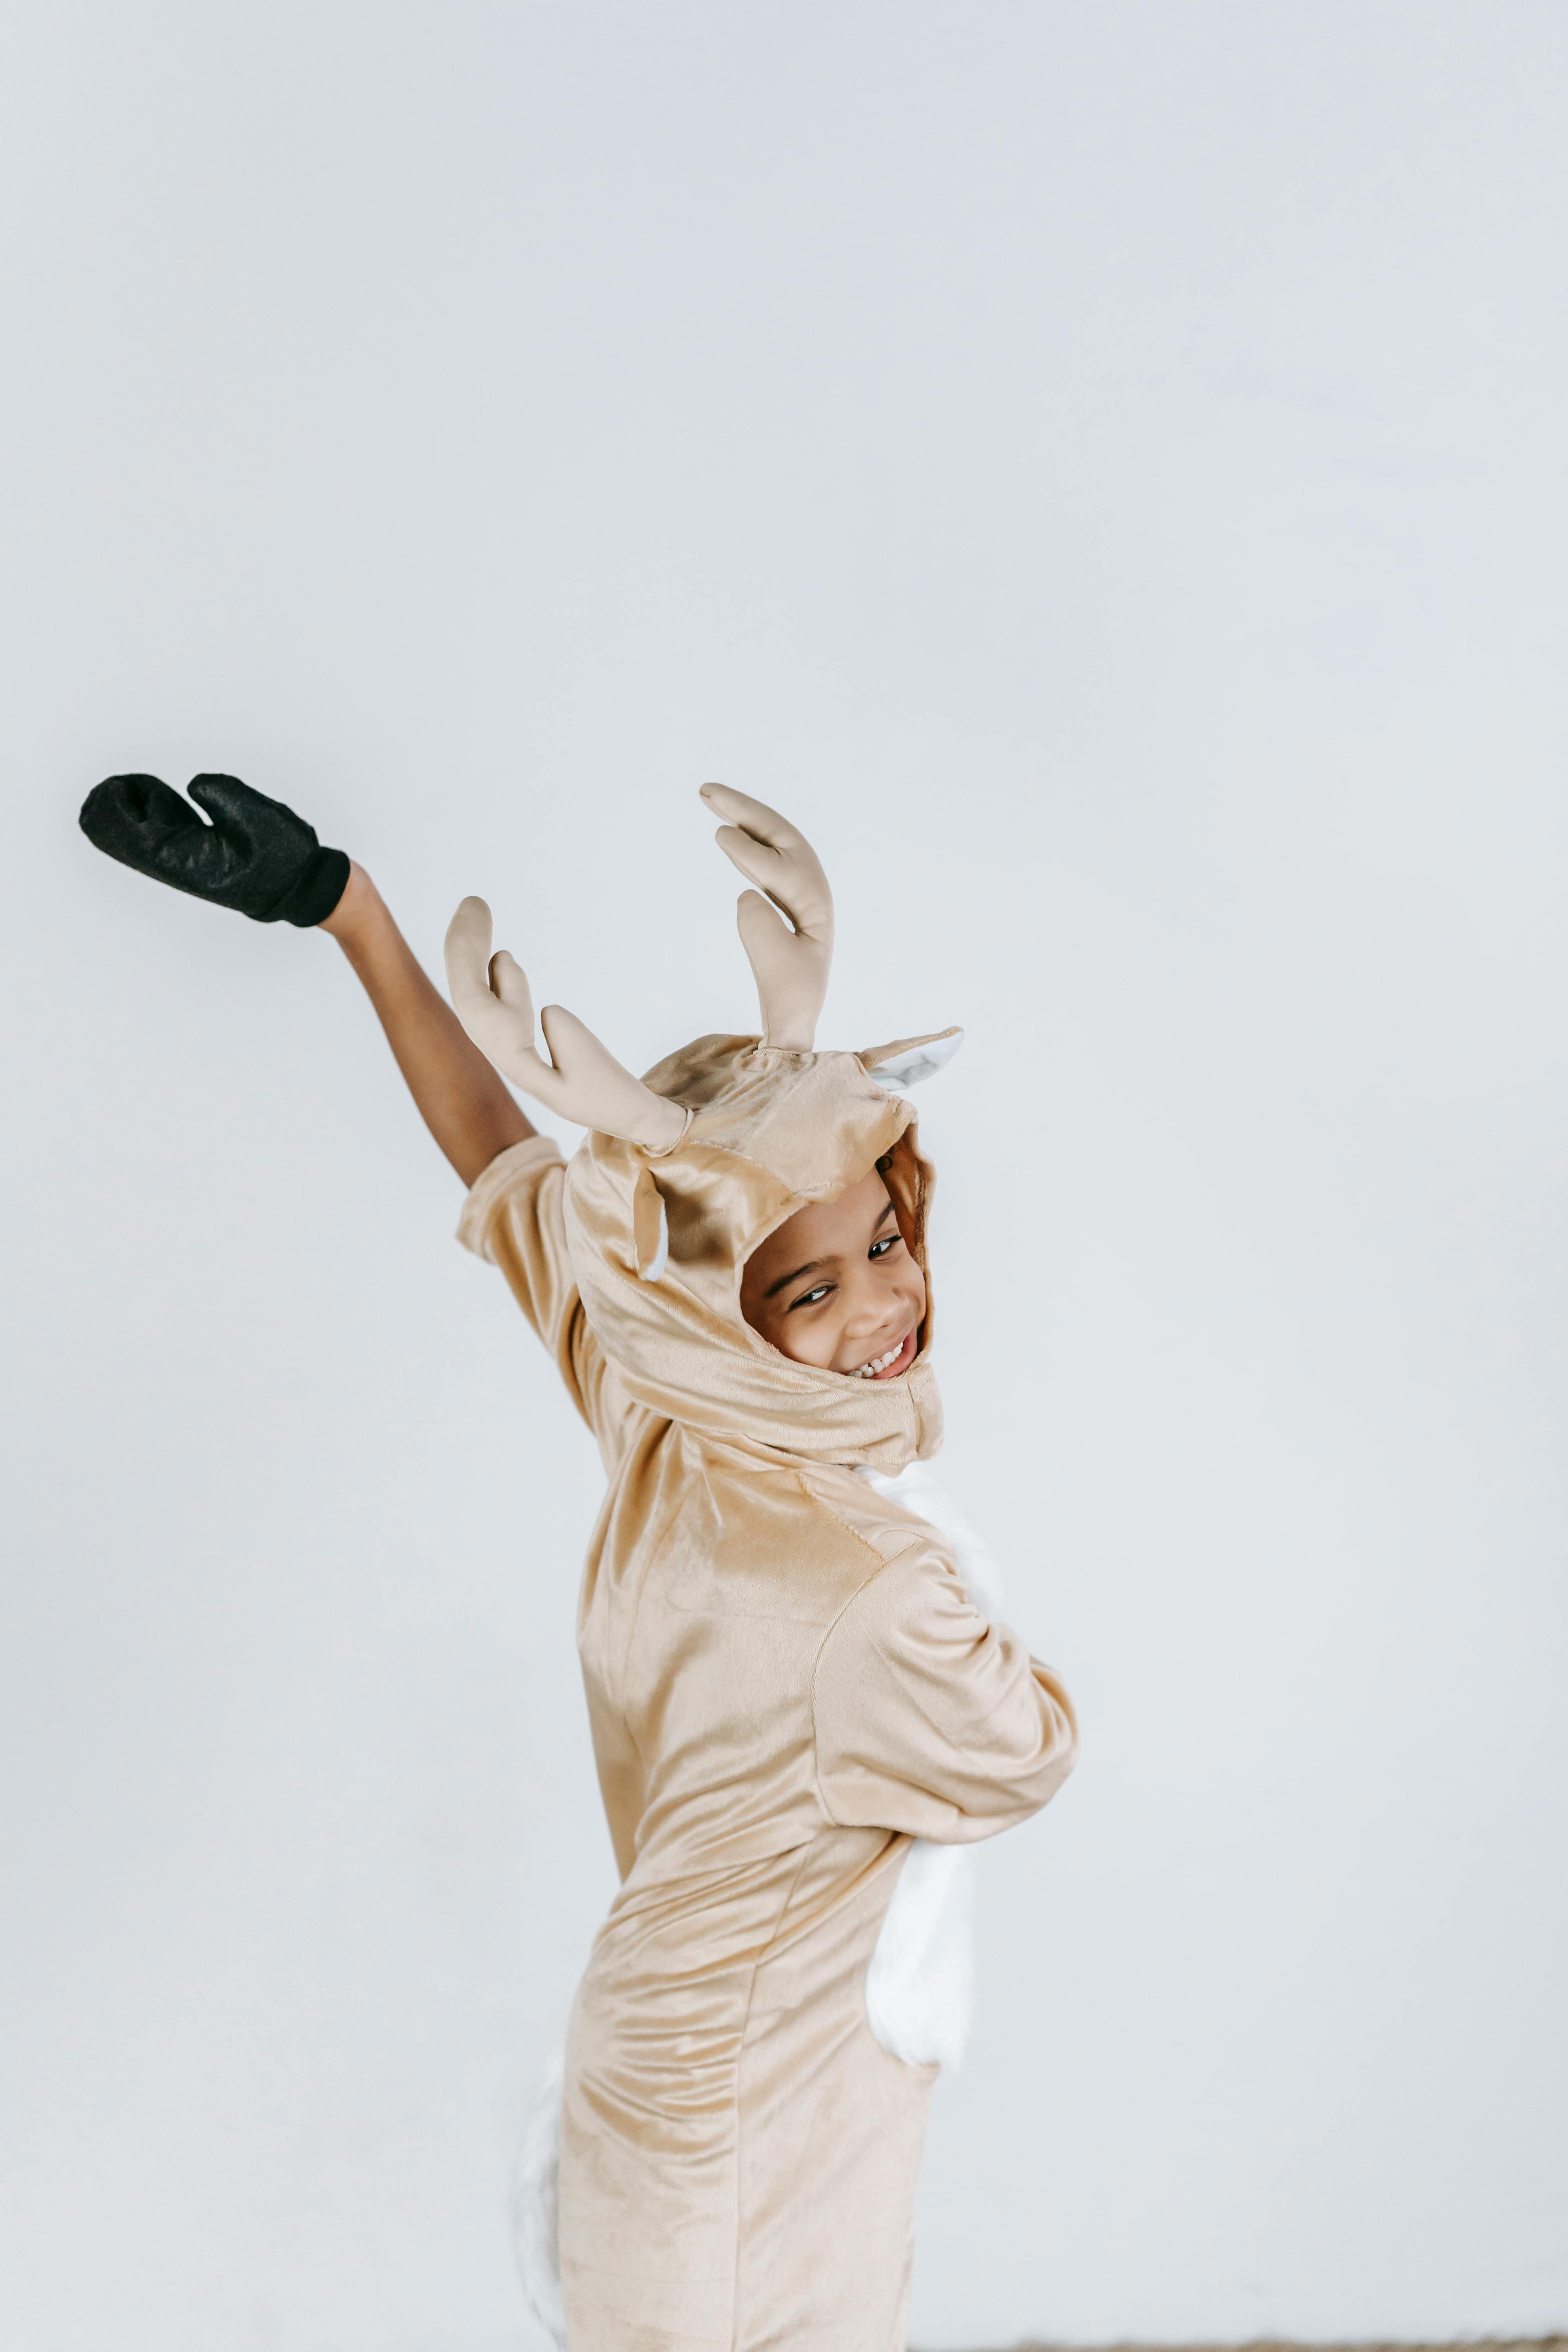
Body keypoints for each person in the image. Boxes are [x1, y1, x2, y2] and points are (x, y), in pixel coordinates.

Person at [80, 770, 1076, 2352]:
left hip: (656, 2057)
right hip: (771, 2091)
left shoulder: (660, 1406)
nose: (881, 1309)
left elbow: (499, 1159)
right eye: (804, 1291)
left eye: (880, 1242)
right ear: (722, 1320)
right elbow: (1022, 1758)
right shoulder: (884, 1592)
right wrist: (958, 1594)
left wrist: (349, 909)